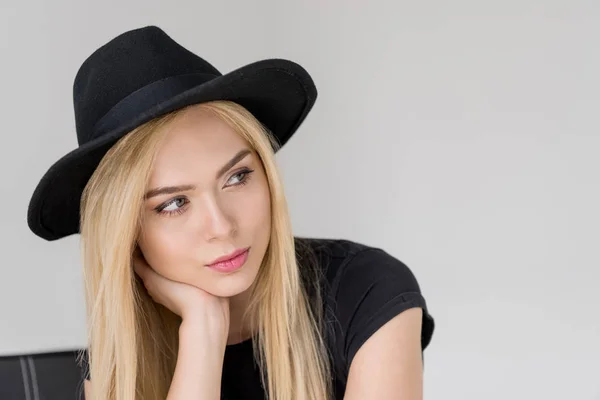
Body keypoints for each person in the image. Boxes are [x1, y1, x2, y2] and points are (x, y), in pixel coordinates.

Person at [27, 26, 435, 400]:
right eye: (173, 203)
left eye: (237, 177)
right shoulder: (126, 350)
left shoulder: (367, 290)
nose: (222, 226)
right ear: (127, 233)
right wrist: (203, 333)